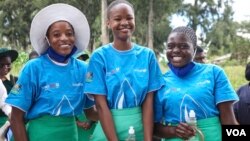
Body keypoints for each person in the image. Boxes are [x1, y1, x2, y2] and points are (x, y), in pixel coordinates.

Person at [5, 3, 97, 141]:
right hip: (40, 135)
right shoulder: (34, 68)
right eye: (56, 34)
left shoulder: (83, 69)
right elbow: (15, 117)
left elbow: (90, 112)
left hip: (70, 135)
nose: (64, 38)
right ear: (47, 39)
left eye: (69, 33)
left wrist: (122, 112)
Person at [84, 0, 164, 140]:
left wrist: (147, 139)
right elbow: (101, 105)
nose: (124, 22)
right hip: (108, 131)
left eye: (129, 18)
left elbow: (149, 102)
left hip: (141, 129)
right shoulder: (99, 57)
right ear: (108, 23)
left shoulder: (147, 56)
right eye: (117, 19)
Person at [154, 26, 239, 141]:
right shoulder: (160, 82)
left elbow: (229, 121)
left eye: (183, 46)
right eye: (170, 46)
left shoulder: (214, 73)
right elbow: (154, 127)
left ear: (194, 49)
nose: (175, 50)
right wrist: (174, 130)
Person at [74, 52, 96, 141]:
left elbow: (95, 96)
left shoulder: (89, 73)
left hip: (91, 117)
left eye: (82, 59)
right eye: (77, 59)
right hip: (73, 122)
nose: (81, 61)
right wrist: (76, 121)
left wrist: (91, 121)